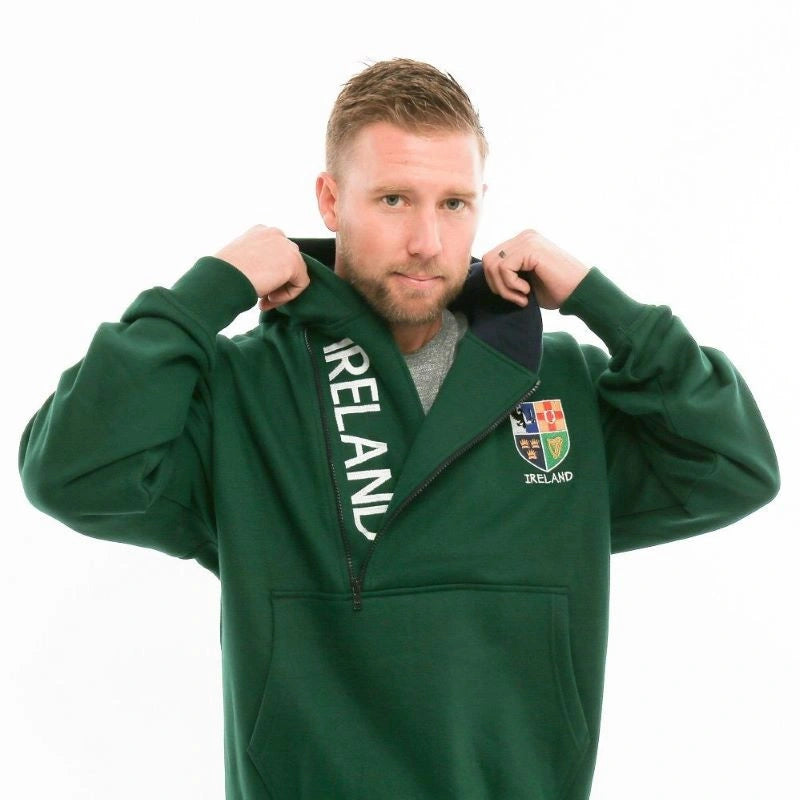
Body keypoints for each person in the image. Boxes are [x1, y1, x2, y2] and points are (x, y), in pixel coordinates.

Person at [18, 57, 780, 800]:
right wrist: (207, 290)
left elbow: (736, 466)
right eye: (393, 200)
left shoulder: (561, 383)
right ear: (330, 200)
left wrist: (596, 298)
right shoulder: (240, 390)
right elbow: (73, 473)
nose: (427, 241)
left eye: (454, 204)